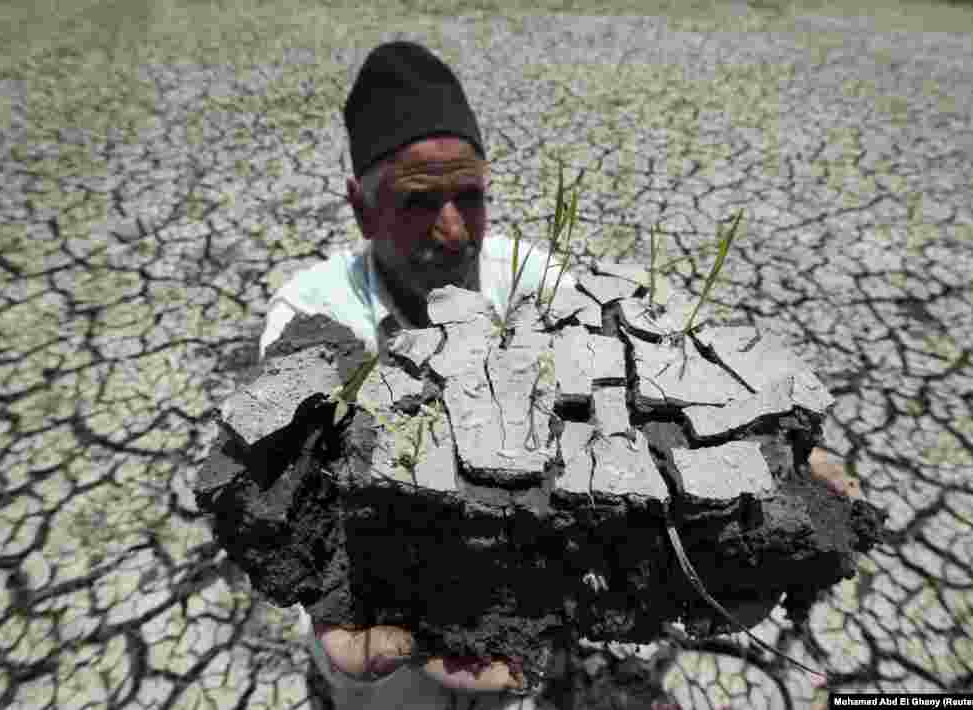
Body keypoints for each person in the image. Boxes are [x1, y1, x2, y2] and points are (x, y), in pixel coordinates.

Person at [256, 40, 862, 710]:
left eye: (470, 197)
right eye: (419, 202)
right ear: (361, 206)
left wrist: (762, 440)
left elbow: (631, 384)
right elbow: (299, 492)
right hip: (390, 637)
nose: (454, 230)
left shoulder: (529, 277)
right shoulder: (313, 315)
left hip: (512, 589)